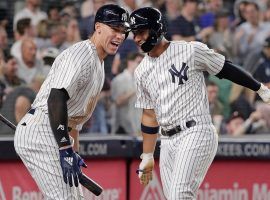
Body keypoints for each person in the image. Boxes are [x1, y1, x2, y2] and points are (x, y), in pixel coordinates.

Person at [129, 7, 270, 199]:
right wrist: (146, 155)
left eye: (141, 32)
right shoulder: (141, 71)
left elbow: (225, 68)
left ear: (156, 29)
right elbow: (149, 114)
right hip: (167, 141)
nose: (136, 38)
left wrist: (259, 88)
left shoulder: (189, 50)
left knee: (180, 195)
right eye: (134, 33)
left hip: (195, 131)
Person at [14, 4, 130, 199]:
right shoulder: (81, 54)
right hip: (42, 129)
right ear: (98, 27)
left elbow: (74, 121)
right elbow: (56, 98)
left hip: (54, 131)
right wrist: (65, 148)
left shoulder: (99, 65)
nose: (120, 35)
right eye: (115, 29)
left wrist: (73, 151)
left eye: (124, 31)